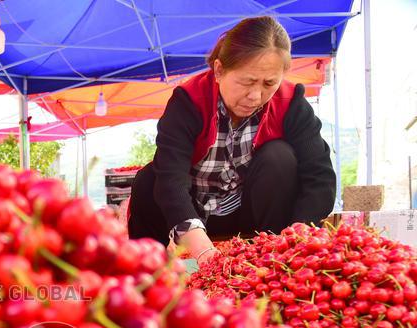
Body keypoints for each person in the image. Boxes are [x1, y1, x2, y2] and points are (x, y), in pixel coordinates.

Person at [127, 16, 336, 264]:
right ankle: (147, 268)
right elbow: (170, 180)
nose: (256, 95)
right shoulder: (188, 101)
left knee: (279, 157)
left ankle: (275, 254)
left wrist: (296, 241)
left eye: (269, 83)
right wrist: (203, 252)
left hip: (249, 214)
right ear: (218, 70)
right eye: (247, 82)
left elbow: (320, 178)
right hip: (192, 214)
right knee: (149, 179)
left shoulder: (291, 103)